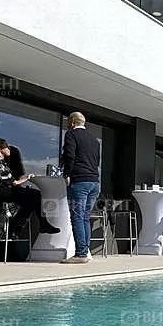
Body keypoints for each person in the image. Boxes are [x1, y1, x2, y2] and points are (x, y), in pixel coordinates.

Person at [0, 139, 59, 235]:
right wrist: (27, 178)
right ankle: (24, 225)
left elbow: (10, 180)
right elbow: (14, 182)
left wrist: (26, 177)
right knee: (35, 195)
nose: (9, 149)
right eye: (6, 147)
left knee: (31, 200)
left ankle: (19, 225)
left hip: (0, 191)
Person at [60, 111, 100, 264]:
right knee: (85, 217)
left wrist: (67, 174)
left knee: (77, 217)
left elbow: (69, 155)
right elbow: (96, 161)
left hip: (79, 181)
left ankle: (81, 254)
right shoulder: (94, 140)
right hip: (94, 182)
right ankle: (85, 252)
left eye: (67, 122)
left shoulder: (71, 134)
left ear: (72, 122)